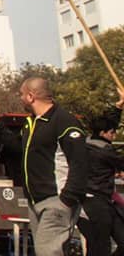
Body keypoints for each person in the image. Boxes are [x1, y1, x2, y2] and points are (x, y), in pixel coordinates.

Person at [0, 77, 87, 256]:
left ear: (31, 96)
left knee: (47, 252)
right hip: (35, 202)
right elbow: (17, 147)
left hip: (57, 200)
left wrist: (67, 199)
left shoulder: (64, 121)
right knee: (46, 251)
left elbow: (80, 163)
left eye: (22, 94)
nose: (21, 98)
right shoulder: (31, 123)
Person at [76, 88, 124, 256]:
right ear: (103, 134)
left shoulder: (88, 142)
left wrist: (118, 107)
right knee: (99, 247)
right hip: (94, 203)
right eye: (112, 133)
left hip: (105, 201)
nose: (115, 135)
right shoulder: (105, 151)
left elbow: (107, 124)